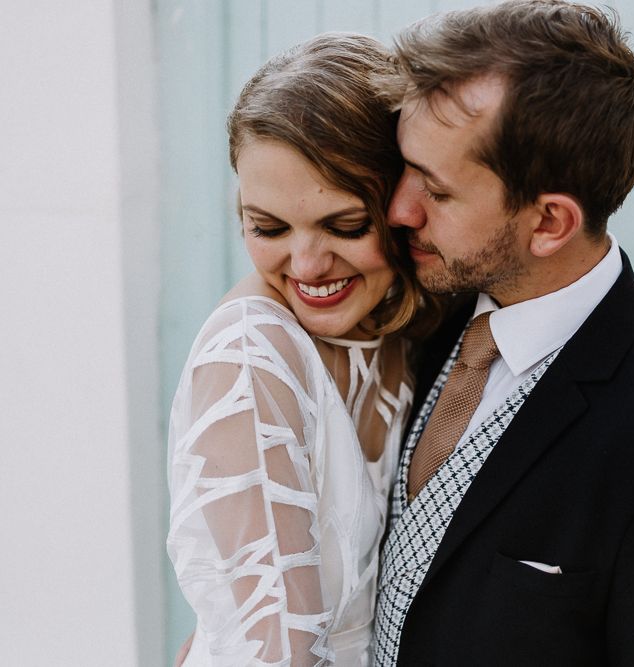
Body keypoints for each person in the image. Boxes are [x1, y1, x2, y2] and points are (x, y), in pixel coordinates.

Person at [373, 2, 634, 665]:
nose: (398, 209)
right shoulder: (418, 303)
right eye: (405, 167)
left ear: (548, 222)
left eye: (438, 191)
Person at [167, 33, 436, 666]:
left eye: (345, 226)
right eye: (267, 228)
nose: (309, 265)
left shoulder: (405, 329)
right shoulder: (250, 357)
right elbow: (280, 654)